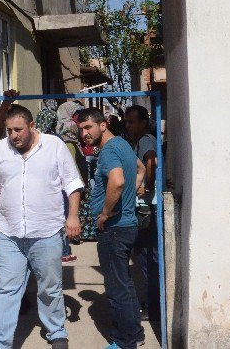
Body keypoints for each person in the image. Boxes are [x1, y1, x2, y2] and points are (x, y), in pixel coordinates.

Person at [0, 104, 84, 349]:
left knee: (50, 287)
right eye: (9, 131)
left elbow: (72, 183)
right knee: (6, 289)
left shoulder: (54, 146)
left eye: (18, 130)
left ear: (32, 126)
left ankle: (56, 331)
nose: (13, 135)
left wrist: (73, 216)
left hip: (46, 232)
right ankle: (0, 343)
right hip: (9, 233)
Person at [77, 108, 146, 349]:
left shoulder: (108, 152)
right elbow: (141, 169)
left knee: (116, 289)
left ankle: (125, 342)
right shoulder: (124, 145)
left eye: (89, 127)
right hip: (127, 226)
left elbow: (117, 181)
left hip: (114, 229)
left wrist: (105, 213)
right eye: (81, 128)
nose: (84, 133)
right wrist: (136, 189)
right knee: (125, 283)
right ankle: (136, 333)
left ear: (103, 125)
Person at [125, 105, 160, 323]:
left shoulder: (146, 139)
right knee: (146, 259)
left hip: (147, 210)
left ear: (143, 123)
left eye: (131, 122)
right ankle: (151, 304)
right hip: (147, 209)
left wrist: (146, 186)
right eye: (126, 122)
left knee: (148, 259)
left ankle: (153, 307)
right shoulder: (142, 140)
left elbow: (152, 160)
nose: (128, 126)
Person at [55, 101, 87, 263]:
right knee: (65, 219)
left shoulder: (69, 142)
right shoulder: (67, 144)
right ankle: (64, 251)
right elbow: (71, 172)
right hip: (67, 191)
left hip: (68, 190)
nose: (78, 124)